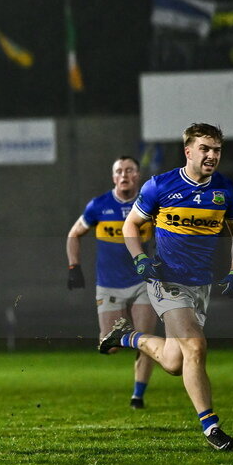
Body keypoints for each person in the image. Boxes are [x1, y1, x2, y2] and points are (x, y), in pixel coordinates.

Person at [100, 123, 233, 451]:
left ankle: (124, 337)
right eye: (205, 149)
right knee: (195, 347)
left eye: (217, 150)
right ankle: (212, 429)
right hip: (166, 281)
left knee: (173, 362)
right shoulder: (160, 186)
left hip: (200, 286)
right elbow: (131, 225)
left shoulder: (225, 190)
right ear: (189, 151)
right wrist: (139, 257)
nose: (212, 155)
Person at [66, 156, 157, 409]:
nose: (124, 175)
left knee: (147, 340)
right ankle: (122, 337)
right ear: (113, 177)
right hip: (109, 284)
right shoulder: (99, 206)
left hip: (142, 283)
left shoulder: (148, 206)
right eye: (119, 171)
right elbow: (74, 234)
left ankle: (137, 396)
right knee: (109, 345)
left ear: (137, 175)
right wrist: (74, 266)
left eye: (129, 170)